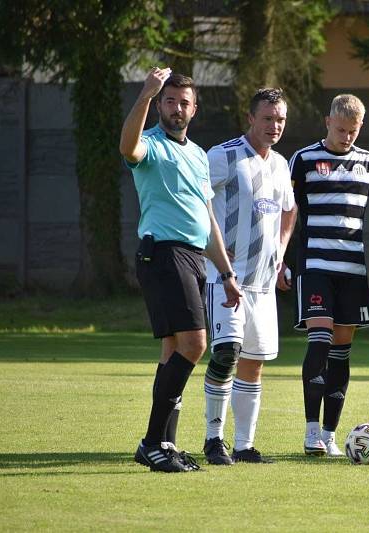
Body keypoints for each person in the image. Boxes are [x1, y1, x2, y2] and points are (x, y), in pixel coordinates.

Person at [120, 68, 242, 473]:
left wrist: (226, 274)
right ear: (161, 105)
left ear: (195, 108)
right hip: (163, 254)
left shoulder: (197, 154)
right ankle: (152, 442)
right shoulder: (151, 144)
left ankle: (164, 444)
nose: (176, 108)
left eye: (183, 102)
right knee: (195, 344)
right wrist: (145, 95)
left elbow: (208, 219)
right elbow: (127, 148)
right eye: (169, 101)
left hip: (193, 258)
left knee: (173, 349)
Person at [288, 94, 369, 456]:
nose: (346, 136)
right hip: (315, 267)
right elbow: (286, 214)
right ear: (326, 121)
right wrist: (279, 259)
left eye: (352, 131)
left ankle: (331, 435)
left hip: (352, 270)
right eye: (340, 130)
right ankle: (310, 431)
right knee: (319, 341)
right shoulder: (302, 160)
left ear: (360, 127)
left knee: (341, 352)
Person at [201, 88, 297, 465]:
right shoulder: (222, 156)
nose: (275, 126)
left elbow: (289, 210)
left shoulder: (280, 164)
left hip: (262, 285)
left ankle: (243, 445)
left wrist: (280, 254)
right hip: (226, 278)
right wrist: (219, 258)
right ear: (251, 118)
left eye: (281, 120)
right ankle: (213, 439)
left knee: (253, 363)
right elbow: (201, 204)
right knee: (226, 353)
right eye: (268, 118)